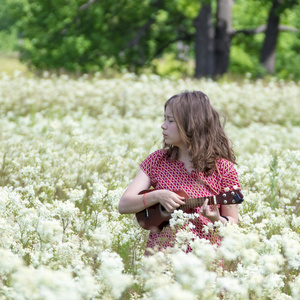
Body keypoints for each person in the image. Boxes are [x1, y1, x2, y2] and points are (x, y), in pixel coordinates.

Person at [118, 90, 241, 254]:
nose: (163, 125)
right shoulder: (157, 161)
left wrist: (216, 219)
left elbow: (233, 222)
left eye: (170, 120)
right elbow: (124, 204)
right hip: (161, 260)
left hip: (205, 260)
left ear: (191, 125)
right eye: (164, 119)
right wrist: (157, 195)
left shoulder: (223, 168)